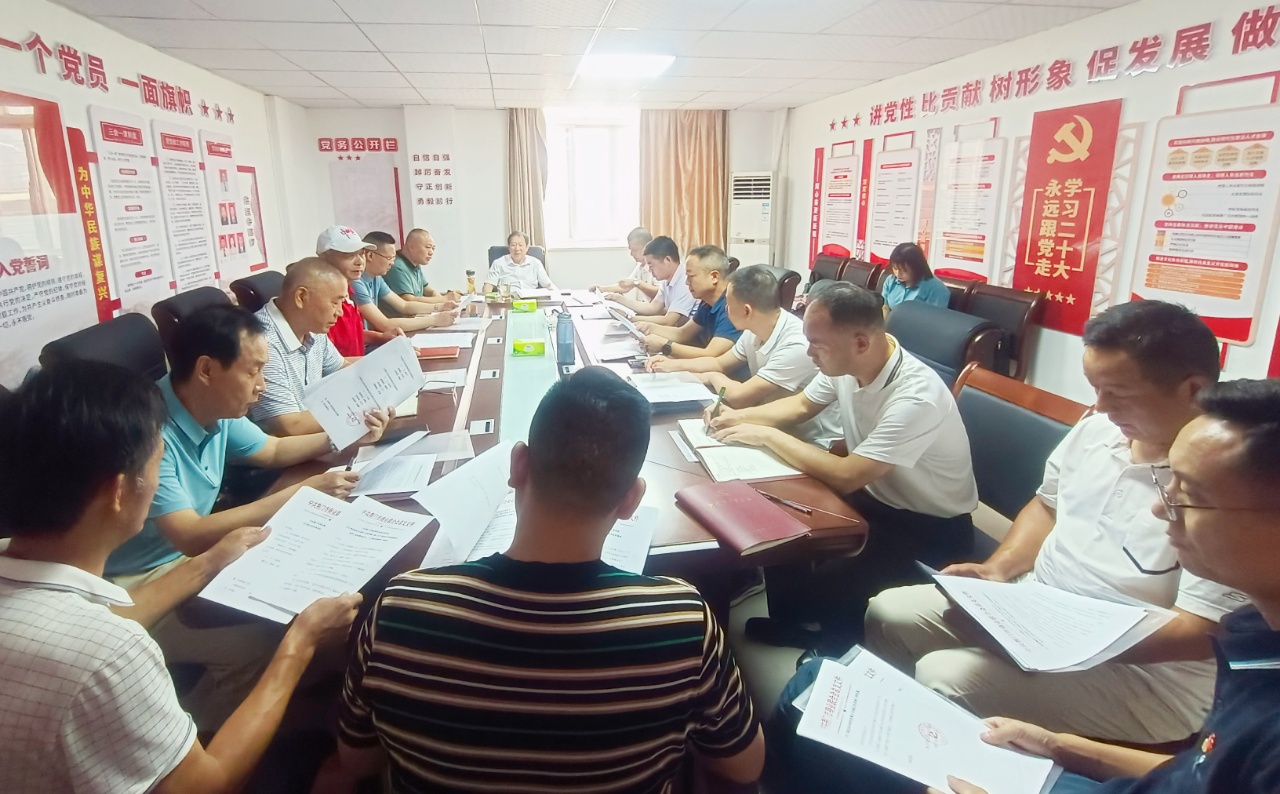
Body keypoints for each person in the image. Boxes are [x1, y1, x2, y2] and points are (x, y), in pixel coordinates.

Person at [773, 378, 1280, 794]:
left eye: (1187, 495)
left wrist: (1052, 647)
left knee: (832, 698)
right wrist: (1060, 746)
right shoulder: (1252, 639)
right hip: (1054, 625)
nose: (1159, 506)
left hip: (1115, 663)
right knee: (827, 680)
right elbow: (1200, 771)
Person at [311, 368, 764, 794]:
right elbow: (745, 766)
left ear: (518, 466)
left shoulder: (401, 611)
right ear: (631, 500)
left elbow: (358, 759)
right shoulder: (682, 623)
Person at [862, 300, 1240, 744]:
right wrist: (998, 570)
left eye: (1117, 393)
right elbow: (1047, 506)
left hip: (1147, 675)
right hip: (1038, 608)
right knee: (889, 611)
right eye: (1095, 389)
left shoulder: (1225, 484)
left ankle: (955, 754)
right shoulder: (1099, 429)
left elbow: (1199, 628)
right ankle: (897, 739)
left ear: (1193, 390)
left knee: (945, 674)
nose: (1100, 406)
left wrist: (1050, 645)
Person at [0, 361, 362, 794]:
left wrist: (208, 562)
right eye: (157, 463)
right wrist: (299, 644)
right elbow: (206, 785)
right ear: (119, 491)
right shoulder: (111, 655)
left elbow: (101, 618)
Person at [104, 305, 388, 728]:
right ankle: (201, 736)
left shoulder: (211, 407)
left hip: (193, 558)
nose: (262, 385)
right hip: (138, 579)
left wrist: (347, 435)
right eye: (253, 371)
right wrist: (296, 494)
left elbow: (271, 450)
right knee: (258, 641)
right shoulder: (152, 431)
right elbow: (190, 535)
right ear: (206, 370)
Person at [708, 281, 977, 651]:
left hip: (928, 527)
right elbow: (802, 405)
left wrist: (766, 435)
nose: (809, 353)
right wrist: (736, 417)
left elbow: (848, 475)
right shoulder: (848, 363)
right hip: (876, 498)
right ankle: (794, 619)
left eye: (817, 345)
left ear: (861, 342)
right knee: (778, 521)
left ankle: (832, 643)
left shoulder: (916, 397)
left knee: (831, 587)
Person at [645, 264, 841, 444]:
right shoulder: (755, 329)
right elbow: (719, 363)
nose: (726, 309)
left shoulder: (797, 343)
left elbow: (740, 397)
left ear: (746, 310)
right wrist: (671, 366)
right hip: (774, 426)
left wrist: (712, 377)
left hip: (810, 440)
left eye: (728, 304)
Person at [250, 257, 352, 436]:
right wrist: (359, 408)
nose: (340, 312)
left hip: (315, 436)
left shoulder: (313, 328)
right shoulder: (262, 343)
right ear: (301, 297)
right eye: (335, 303)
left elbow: (342, 368)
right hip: (287, 447)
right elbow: (290, 426)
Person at [634, 244, 741, 359]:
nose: (686, 282)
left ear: (714, 276)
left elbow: (711, 354)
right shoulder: (707, 302)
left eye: (691, 276)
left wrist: (665, 346)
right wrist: (650, 327)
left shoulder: (732, 306)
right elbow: (683, 334)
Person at [355, 231, 456, 333]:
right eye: (389, 258)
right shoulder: (356, 283)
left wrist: (441, 307)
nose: (392, 263)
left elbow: (404, 305)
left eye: (393, 258)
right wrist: (434, 320)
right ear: (370, 256)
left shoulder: (377, 278)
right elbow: (385, 325)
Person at [315, 225, 382, 357]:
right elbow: (329, 361)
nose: (359, 262)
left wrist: (381, 337)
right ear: (324, 258)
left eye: (361, 254)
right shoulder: (322, 304)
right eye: (349, 255)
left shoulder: (349, 291)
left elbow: (350, 336)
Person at [605, 235, 696, 326]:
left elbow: (669, 321)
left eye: (651, 265)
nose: (649, 270)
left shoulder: (685, 280)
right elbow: (653, 307)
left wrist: (629, 317)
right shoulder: (667, 280)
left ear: (667, 260)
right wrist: (618, 298)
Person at [382, 228, 460, 316]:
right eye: (428, 247)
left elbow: (429, 291)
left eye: (433, 248)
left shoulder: (415, 264)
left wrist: (446, 302)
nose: (431, 252)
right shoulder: (396, 266)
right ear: (411, 247)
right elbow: (408, 300)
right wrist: (444, 299)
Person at [591, 227, 660, 300]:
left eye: (634, 250)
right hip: (642, 305)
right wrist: (600, 289)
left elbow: (660, 293)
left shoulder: (657, 266)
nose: (631, 254)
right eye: (630, 250)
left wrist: (636, 283)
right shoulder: (640, 266)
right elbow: (625, 287)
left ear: (647, 247)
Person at [880, 242, 950, 310]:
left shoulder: (936, 288)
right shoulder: (891, 280)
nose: (898, 274)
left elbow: (933, 316)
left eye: (904, 270)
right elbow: (885, 306)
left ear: (916, 267)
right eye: (895, 268)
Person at [483, 230, 555, 293]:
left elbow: (548, 284)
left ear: (527, 247)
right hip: (507, 299)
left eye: (520, 245)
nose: (517, 249)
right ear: (509, 247)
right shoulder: (498, 263)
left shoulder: (536, 263)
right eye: (513, 245)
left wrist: (557, 295)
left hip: (531, 300)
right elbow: (488, 286)